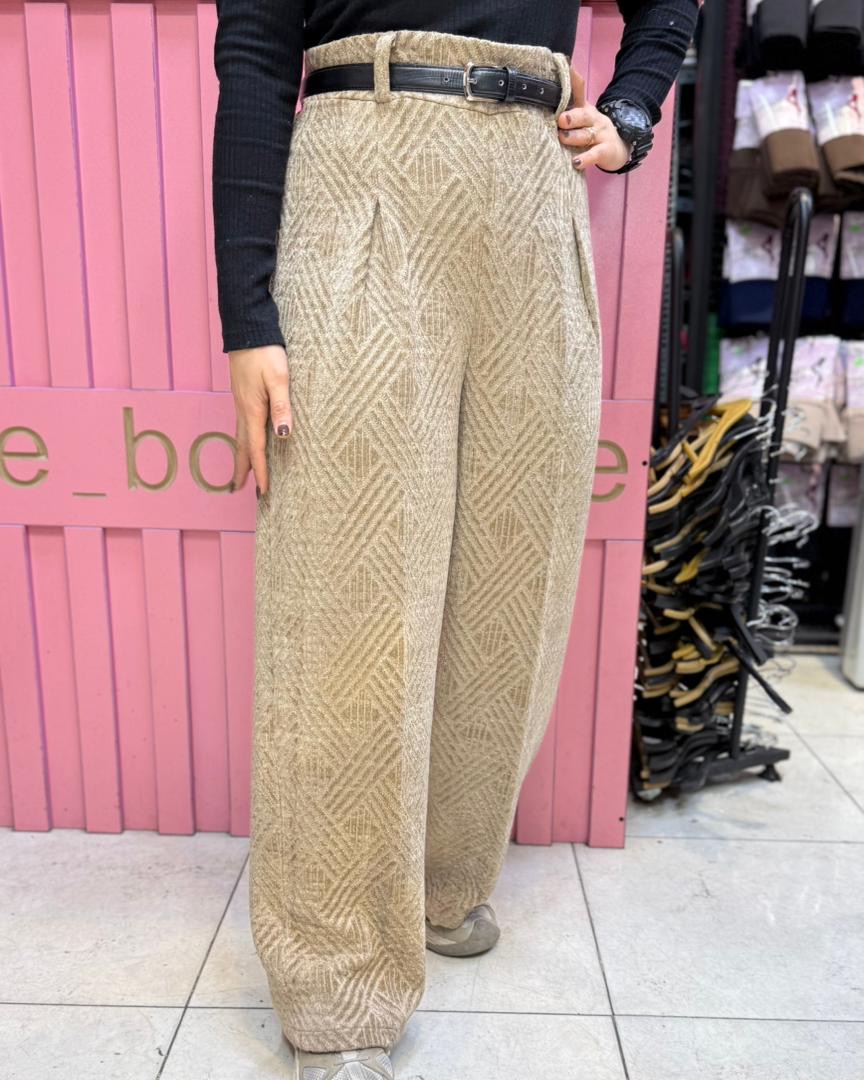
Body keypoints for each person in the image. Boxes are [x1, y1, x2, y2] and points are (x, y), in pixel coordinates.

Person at [211, 3, 698, 1077]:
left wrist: (631, 111)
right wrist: (247, 318)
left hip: (532, 187)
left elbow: (670, 9)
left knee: (510, 583)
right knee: (345, 595)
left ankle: (441, 880)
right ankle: (336, 983)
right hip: (366, 162)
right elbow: (253, 54)